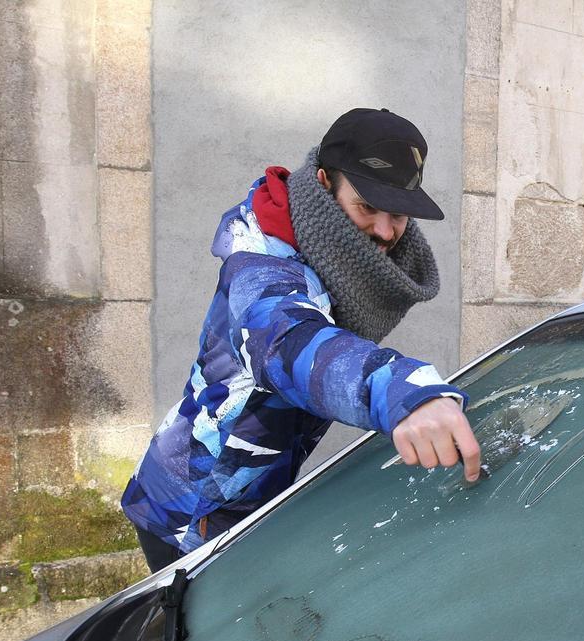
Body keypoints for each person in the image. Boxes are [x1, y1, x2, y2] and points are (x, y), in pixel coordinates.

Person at [122, 108, 481, 572]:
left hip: (255, 493)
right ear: (323, 183)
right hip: (192, 507)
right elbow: (288, 342)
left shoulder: (337, 258)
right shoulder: (260, 264)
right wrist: (402, 391)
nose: (386, 231)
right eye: (367, 207)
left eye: (399, 213)